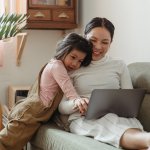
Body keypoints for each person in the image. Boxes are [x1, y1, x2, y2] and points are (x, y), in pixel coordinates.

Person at [59, 17, 150, 150]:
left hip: (118, 116)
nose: (98, 47)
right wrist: (78, 103)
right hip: (84, 119)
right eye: (93, 41)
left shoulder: (119, 65)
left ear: (111, 43)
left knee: (126, 126)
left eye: (105, 42)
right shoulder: (75, 65)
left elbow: (130, 100)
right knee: (110, 126)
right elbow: (62, 106)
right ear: (85, 38)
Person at [0, 32, 92, 150]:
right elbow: (67, 86)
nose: (75, 63)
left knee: (15, 144)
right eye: (73, 57)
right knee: (6, 143)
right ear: (64, 50)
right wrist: (77, 100)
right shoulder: (57, 66)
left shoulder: (55, 64)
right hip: (30, 113)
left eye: (80, 61)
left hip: (35, 113)